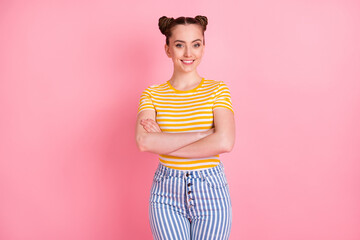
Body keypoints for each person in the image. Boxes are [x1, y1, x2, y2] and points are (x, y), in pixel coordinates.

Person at [135, 15, 235, 240]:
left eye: (196, 45)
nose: (189, 54)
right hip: (166, 193)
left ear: (203, 48)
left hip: (211, 191)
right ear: (168, 49)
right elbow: (144, 142)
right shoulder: (152, 94)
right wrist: (206, 134)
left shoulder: (218, 90)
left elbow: (225, 142)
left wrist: (164, 142)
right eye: (180, 45)